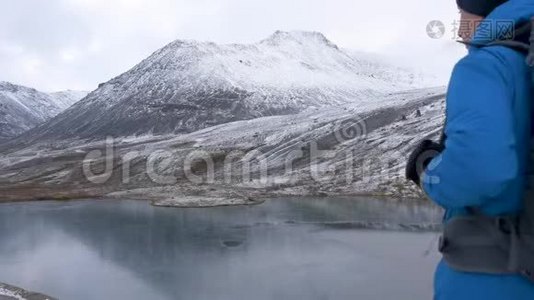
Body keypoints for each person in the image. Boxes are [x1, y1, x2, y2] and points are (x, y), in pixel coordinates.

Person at [406, 0, 534, 299]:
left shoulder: (486, 65)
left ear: (481, 14)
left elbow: (478, 172)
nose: (459, 28)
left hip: (494, 278)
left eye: (461, 14)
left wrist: (428, 170)